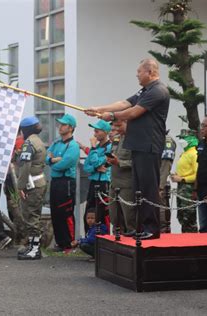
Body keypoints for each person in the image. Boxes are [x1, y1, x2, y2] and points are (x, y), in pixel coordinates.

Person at [86, 58, 170, 240]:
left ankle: (152, 228)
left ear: (150, 72)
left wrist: (111, 116)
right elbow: (124, 103)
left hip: (149, 144)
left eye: (139, 72)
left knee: (148, 187)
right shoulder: (145, 90)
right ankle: (141, 226)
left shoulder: (158, 91)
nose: (137, 75)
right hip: (138, 145)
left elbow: (133, 112)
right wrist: (99, 109)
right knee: (138, 189)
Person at [46, 114, 80, 252]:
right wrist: (53, 160)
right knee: (55, 212)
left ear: (71, 128)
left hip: (66, 182)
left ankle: (69, 243)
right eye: (60, 124)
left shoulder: (73, 145)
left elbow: (66, 163)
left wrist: (54, 163)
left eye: (64, 124)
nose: (60, 127)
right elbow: (47, 157)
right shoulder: (56, 143)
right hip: (55, 181)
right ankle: (60, 242)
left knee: (65, 212)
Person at [15, 116, 46, 260]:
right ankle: (34, 247)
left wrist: (21, 187)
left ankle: (34, 249)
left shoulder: (29, 143)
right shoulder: (38, 141)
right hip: (39, 181)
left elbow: (25, 166)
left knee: (31, 216)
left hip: (31, 184)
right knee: (35, 215)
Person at [83, 120, 112, 233]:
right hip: (93, 183)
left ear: (105, 132)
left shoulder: (109, 147)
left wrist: (94, 148)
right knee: (89, 211)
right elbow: (86, 166)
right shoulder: (96, 148)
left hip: (104, 183)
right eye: (94, 131)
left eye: (97, 131)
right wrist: (95, 169)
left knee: (102, 213)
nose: (94, 134)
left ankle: (103, 239)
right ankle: (88, 239)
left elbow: (96, 162)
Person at [107, 120, 136, 234]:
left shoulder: (135, 139)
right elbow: (114, 155)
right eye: (115, 126)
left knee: (129, 218)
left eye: (119, 125)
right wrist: (110, 160)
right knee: (114, 218)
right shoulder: (117, 139)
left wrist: (120, 162)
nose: (116, 128)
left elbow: (138, 163)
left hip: (126, 184)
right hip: (114, 183)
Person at [172, 130, 199, 232]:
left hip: (189, 189)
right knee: (182, 216)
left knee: (189, 217)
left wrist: (183, 179)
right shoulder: (185, 153)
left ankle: (192, 242)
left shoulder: (194, 154)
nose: (181, 141)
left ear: (192, 139)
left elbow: (197, 175)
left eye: (183, 138)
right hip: (181, 188)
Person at [159, 132, 176, 233]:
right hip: (150, 182)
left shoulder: (166, 140)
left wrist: (160, 186)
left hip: (160, 183)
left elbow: (165, 166)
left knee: (161, 217)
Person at [196, 116, 207, 232]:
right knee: (204, 227)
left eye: (205, 126)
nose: (202, 128)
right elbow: (199, 167)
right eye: (202, 125)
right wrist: (195, 190)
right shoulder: (201, 144)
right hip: (201, 191)